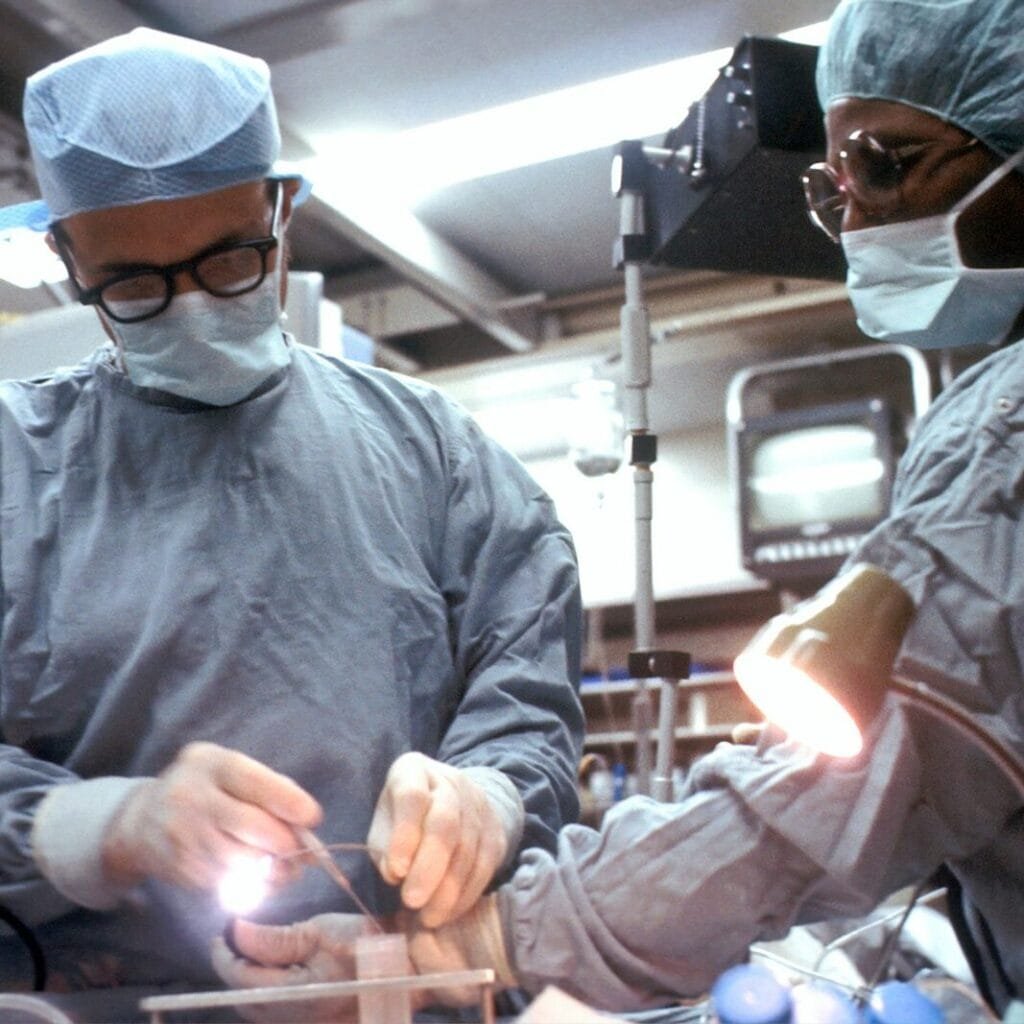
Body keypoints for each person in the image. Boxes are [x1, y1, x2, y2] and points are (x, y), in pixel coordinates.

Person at [211, 0, 1024, 1017]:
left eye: (887, 163)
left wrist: (475, 929)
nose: (855, 215)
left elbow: (813, 802)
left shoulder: (1004, 433)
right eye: (833, 185)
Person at [0, 27, 585, 996]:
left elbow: (520, 688)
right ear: (68, 259)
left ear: (281, 208)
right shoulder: (18, 467)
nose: (190, 307)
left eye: (229, 261)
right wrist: (100, 823)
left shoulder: (432, 453)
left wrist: (486, 793)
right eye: (135, 287)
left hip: (390, 994)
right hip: (94, 998)